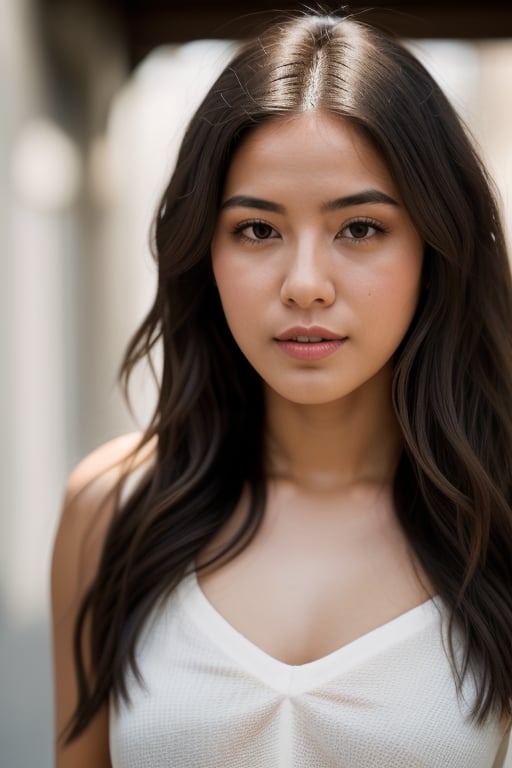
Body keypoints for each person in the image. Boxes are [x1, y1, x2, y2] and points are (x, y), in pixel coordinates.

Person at [51, 9, 512, 767]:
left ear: (437, 246)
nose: (304, 285)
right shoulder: (112, 512)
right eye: (257, 230)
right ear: (206, 251)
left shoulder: (495, 512)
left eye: (359, 228)